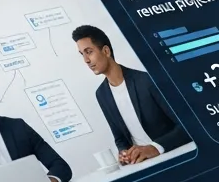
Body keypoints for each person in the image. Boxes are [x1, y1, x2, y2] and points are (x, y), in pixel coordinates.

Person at [72, 25, 191, 164]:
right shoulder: (102, 94)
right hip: (140, 164)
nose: (86, 60)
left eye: (89, 52)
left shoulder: (147, 81)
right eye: (82, 54)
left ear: (106, 51)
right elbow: (120, 138)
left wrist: (155, 148)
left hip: (172, 156)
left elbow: (187, 125)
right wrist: (124, 152)